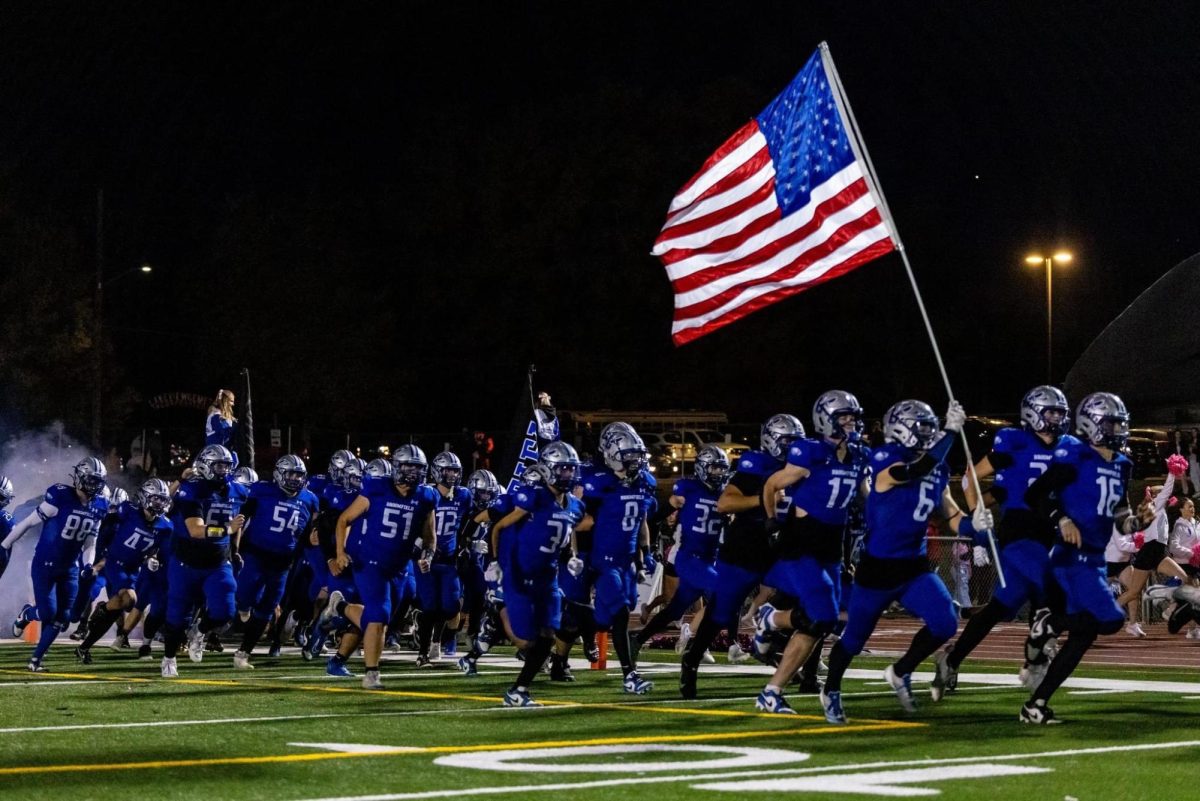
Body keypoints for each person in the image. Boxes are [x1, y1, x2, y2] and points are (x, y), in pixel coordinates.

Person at [819, 400, 993, 724]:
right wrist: (950, 434)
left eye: (932, 428)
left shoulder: (937, 468)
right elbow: (915, 470)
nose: (928, 434)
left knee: (945, 622)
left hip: (914, 566)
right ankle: (830, 689)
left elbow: (951, 516)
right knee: (854, 640)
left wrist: (976, 526)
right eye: (922, 428)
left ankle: (901, 671)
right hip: (878, 568)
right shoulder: (887, 457)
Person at [931, 386, 1071, 700]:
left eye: (1060, 412)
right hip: (1019, 529)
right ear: (1033, 414)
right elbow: (970, 477)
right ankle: (1036, 660)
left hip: (1050, 528)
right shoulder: (1015, 442)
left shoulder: (1069, 447)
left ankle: (950, 659)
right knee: (1048, 585)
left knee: (1000, 607)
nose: (1057, 418)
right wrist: (976, 512)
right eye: (1051, 412)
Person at [1021, 392, 1151, 723]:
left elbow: (1119, 514)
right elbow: (1035, 494)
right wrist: (1061, 519)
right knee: (1110, 620)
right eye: (1111, 422)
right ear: (1090, 423)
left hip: (1095, 558)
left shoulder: (1122, 464)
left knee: (1083, 636)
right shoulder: (1074, 454)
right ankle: (1048, 622)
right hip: (1070, 557)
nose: (1117, 429)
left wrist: (1139, 520)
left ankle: (1035, 705)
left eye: (1120, 423)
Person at [753, 391, 869, 714]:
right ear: (826, 420)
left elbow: (868, 498)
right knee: (821, 618)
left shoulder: (858, 455)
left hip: (833, 547)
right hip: (802, 545)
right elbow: (771, 485)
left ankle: (771, 692)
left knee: (821, 625)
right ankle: (771, 619)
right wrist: (772, 522)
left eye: (853, 416)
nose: (851, 422)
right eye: (844, 417)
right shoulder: (811, 453)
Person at [679, 413, 804, 699]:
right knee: (721, 613)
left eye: (795, 441)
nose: (791, 447)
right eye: (786, 441)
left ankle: (778, 649)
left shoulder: (802, 468)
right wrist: (764, 498)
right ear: (771, 440)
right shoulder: (755, 466)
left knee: (809, 598)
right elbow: (725, 504)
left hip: (779, 552)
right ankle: (692, 659)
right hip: (744, 552)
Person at [325, 444, 437, 690]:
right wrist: (340, 552)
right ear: (397, 467)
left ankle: (340, 619)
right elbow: (344, 519)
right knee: (379, 615)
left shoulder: (426, 496)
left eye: (418, 468)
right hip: (369, 563)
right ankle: (371, 674)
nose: (413, 473)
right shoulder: (376, 488)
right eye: (408, 466)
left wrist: (427, 555)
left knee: (379, 620)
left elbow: (430, 537)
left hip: (399, 567)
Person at [488, 442, 586, 706]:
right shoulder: (533, 496)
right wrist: (496, 561)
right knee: (528, 639)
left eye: (571, 470)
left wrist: (572, 556)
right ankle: (497, 612)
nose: (568, 475)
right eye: (563, 469)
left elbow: (567, 532)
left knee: (547, 635)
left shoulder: (575, 506)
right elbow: (498, 527)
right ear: (548, 469)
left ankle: (518, 690)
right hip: (520, 575)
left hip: (548, 577)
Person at [4, 458, 110, 671]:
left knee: (63, 618)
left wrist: (88, 564)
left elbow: (91, 540)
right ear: (79, 476)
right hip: (45, 564)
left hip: (70, 567)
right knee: (47, 613)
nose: (94, 485)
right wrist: (5, 544)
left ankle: (36, 661)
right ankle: (27, 614)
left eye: (98, 481)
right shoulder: (60, 496)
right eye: (91, 479)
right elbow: (27, 523)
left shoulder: (99, 506)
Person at [160, 444, 248, 678]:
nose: (223, 471)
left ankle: (200, 631)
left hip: (217, 562)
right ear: (206, 466)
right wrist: (228, 530)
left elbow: (238, 519)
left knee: (226, 610)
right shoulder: (193, 490)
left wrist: (235, 545)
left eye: (226, 466)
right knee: (177, 616)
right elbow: (196, 531)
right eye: (218, 465)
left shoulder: (237, 491)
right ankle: (169, 658)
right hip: (185, 561)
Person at [634, 446, 729, 661]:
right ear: (703, 468)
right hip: (689, 556)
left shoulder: (724, 491)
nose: (718, 473)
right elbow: (657, 517)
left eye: (721, 469)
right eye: (714, 468)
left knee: (675, 609)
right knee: (724, 595)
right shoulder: (688, 487)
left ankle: (638, 640)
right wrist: (670, 505)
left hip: (709, 558)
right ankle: (696, 649)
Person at [580, 425, 656, 694]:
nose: (635, 461)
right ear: (612, 454)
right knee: (622, 613)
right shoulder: (597, 481)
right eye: (629, 455)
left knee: (604, 619)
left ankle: (575, 625)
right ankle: (630, 675)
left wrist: (646, 552)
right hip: (605, 558)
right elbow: (578, 519)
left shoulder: (643, 481)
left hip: (627, 561)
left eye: (637, 455)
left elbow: (642, 520)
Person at [230, 455, 320, 668]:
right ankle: (243, 607)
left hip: (283, 561)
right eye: (291, 474)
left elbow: (309, 531)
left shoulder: (310, 499)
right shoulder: (261, 490)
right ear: (279, 473)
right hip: (256, 553)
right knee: (244, 594)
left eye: (299, 475)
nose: (295, 479)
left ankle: (243, 653)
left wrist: (313, 538)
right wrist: (235, 547)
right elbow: (241, 519)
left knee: (268, 606)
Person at [73, 479, 173, 663]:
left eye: (162, 500)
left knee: (120, 605)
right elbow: (105, 523)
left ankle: (84, 647)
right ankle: (102, 610)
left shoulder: (166, 526)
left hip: (135, 569)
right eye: (155, 499)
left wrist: (153, 559)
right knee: (130, 599)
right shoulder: (128, 510)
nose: (159, 503)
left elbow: (157, 552)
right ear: (144, 497)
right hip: (115, 563)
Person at [1113, 457, 1189, 636]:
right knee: (1133, 592)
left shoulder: (1159, 508)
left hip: (1159, 551)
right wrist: (1172, 472)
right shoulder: (1155, 505)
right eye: (1163, 494)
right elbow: (1168, 489)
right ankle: (1104, 614)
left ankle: (1169, 609)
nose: (1167, 496)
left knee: (1185, 579)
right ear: (1156, 496)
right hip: (1149, 551)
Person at [415, 451, 470, 666]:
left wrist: (467, 544)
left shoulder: (463, 496)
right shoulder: (427, 494)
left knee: (451, 606)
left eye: (455, 470)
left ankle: (438, 640)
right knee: (431, 606)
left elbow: (467, 521)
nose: (453, 475)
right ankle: (423, 653)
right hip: (426, 557)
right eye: (448, 470)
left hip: (449, 560)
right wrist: (419, 546)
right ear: (438, 471)